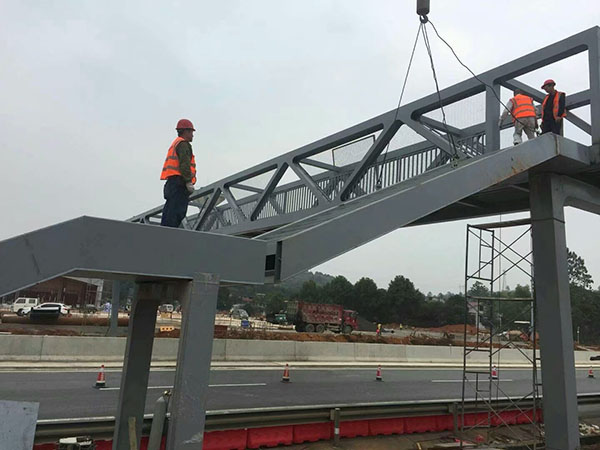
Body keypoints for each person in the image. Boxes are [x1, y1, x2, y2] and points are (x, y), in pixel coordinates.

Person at [160, 119, 197, 227]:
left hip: (172, 183)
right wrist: (188, 182)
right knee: (176, 213)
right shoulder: (183, 144)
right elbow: (184, 165)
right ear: (185, 131)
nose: (192, 135)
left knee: (170, 213)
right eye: (191, 132)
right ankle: (168, 234)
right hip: (179, 184)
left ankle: (164, 233)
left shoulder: (175, 144)